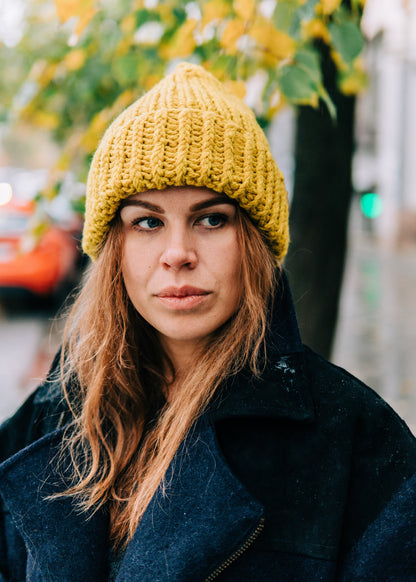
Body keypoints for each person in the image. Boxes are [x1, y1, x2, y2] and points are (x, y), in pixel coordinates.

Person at [0, 62, 415, 582]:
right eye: (147, 222)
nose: (177, 253)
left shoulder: (358, 443)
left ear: (255, 245)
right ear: (115, 251)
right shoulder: (56, 412)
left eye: (212, 219)